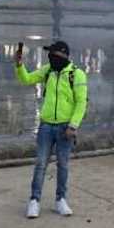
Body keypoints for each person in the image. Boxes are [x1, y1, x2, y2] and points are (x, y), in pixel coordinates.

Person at [15, 40, 88, 218]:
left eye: (53, 54)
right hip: (46, 125)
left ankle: (60, 200)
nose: (50, 58)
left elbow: (81, 103)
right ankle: (34, 200)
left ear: (62, 55)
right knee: (40, 163)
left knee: (63, 165)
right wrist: (19, 65)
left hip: (65, 127)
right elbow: (27, 79)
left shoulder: (76, 75)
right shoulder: (48, 70)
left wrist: (73, 125)